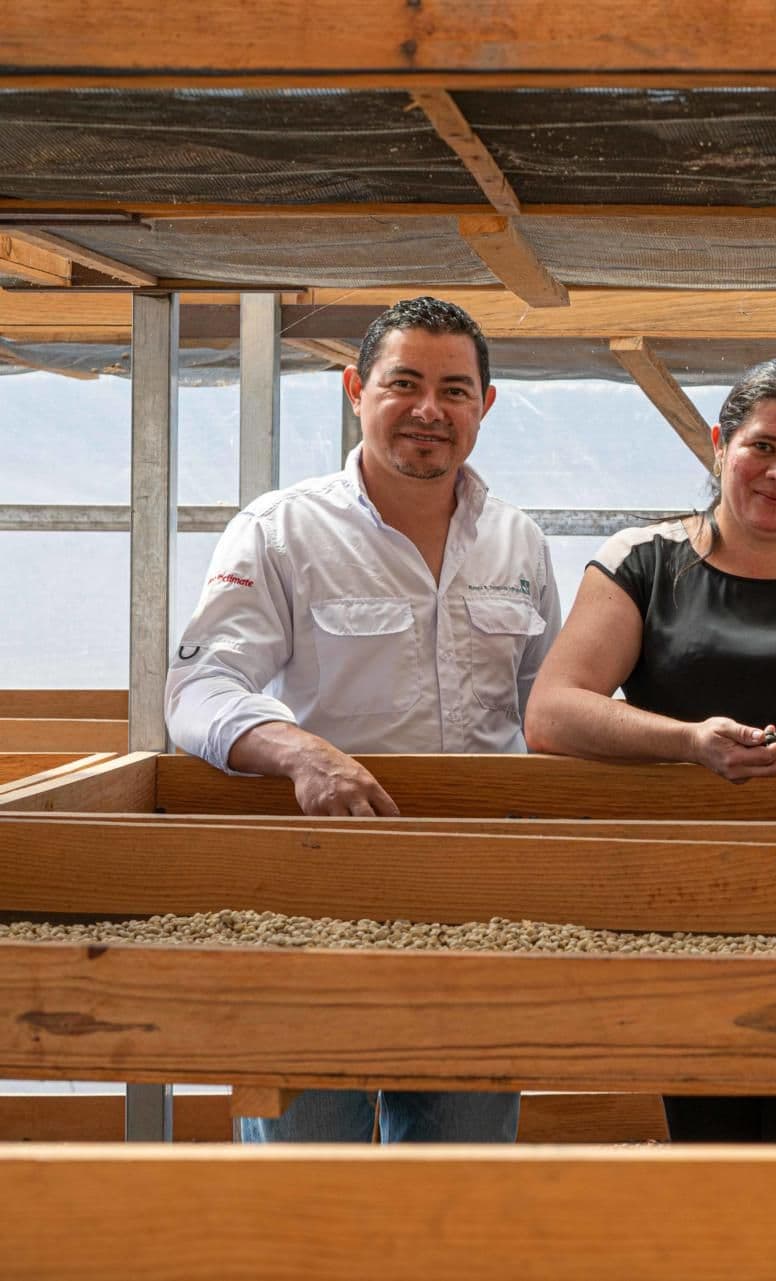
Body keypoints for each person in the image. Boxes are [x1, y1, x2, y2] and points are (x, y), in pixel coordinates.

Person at [166, 295, 558, 1144]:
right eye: (403, 383)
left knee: (460, 1154)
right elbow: (198, 691)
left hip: (474, 899)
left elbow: (549, 708)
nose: (429, 409)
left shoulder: (518, 543)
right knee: (307, 1157)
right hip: (313, 891)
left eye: (455, 390)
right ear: (355, 389)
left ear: (485, 405)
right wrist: (302, 752)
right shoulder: (279, 531)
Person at [525, 357, 776, 1142]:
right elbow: (551, 711)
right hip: (684, 901)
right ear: (718, 445)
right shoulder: (643, 563)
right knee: (707, 1139)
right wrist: (687, 741)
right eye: (762, 446)